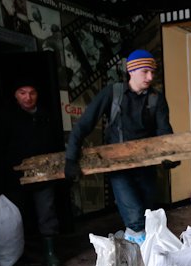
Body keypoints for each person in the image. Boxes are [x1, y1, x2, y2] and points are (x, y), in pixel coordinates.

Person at [64, 49, 175, 244]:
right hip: (119, 168)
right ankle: (136, 263)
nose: (150, 77)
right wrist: (71, 159)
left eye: (152, 72)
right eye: (145, 72)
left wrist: (169, 155)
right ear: (131, 71)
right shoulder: (112, 94)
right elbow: (83, 125)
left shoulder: (156, 99)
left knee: (148, 216)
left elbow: (164, 130)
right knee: (136, 218)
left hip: (146, 167)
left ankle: (140, 255)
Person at [0, 79, 63, 266]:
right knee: (16, 216)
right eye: (22, 93)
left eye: (32, 92)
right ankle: (19, 256)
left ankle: (50, 252)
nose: (28, 98)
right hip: (14, 177)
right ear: (15, 95)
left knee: (47, 212)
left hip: (44, 174)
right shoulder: (4, 118)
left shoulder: (46, 116)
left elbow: (56, 144)